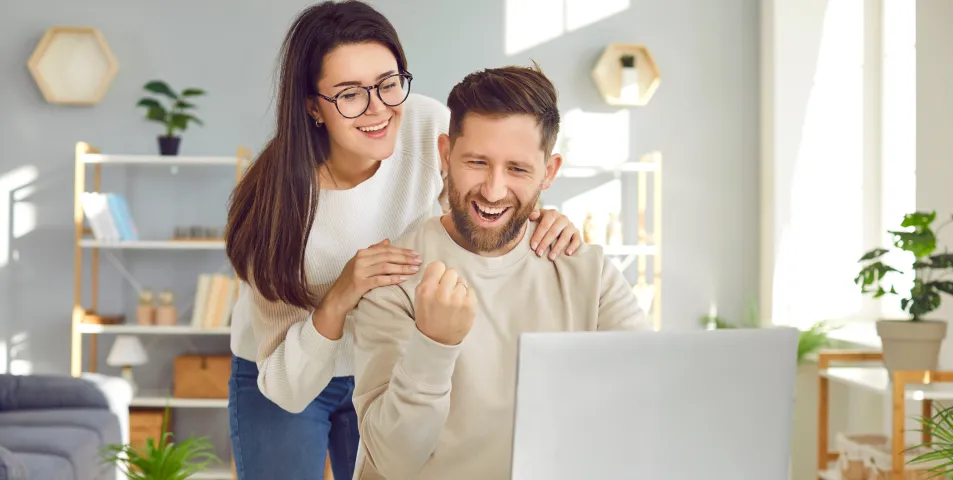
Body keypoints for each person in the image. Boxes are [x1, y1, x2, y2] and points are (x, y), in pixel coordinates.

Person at [222, 2, 584, 479]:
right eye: (350, 94)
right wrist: (341, 294)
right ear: (312, 105)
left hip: (388, 357)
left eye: (388, 83)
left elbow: (487, 194)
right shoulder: (274, 204)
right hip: (286, 371)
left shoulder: (427, 126)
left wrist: (540, 214)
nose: (379, 109)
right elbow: (286, 389)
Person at [349, 64, 652, 480]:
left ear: (549, 172)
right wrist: (433, 344)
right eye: (476, 162)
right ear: (444, 155)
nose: (493, 190)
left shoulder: (588, 273)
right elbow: (393, 460)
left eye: (518, 169)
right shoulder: (395, 275)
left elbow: (650, 403)